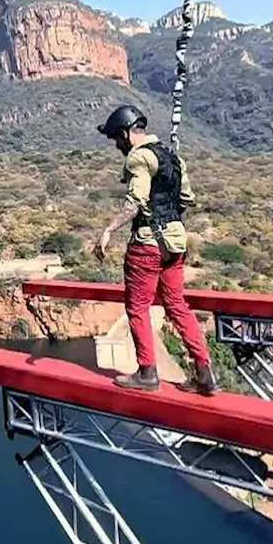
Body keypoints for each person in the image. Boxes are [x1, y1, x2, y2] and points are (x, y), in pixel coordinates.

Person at [90, 105, 216, 395]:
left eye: (116, 139)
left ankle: (147, 373)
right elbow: (186, 199)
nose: (117, 145)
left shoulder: (139, 158)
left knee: (137, 308)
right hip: (176, 243)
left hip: (147, 245)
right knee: (177, 305)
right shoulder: (173, 157)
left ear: (125, 133)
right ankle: (204, 373)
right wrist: (167, 220)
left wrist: (108, 231)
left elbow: (134, 202)